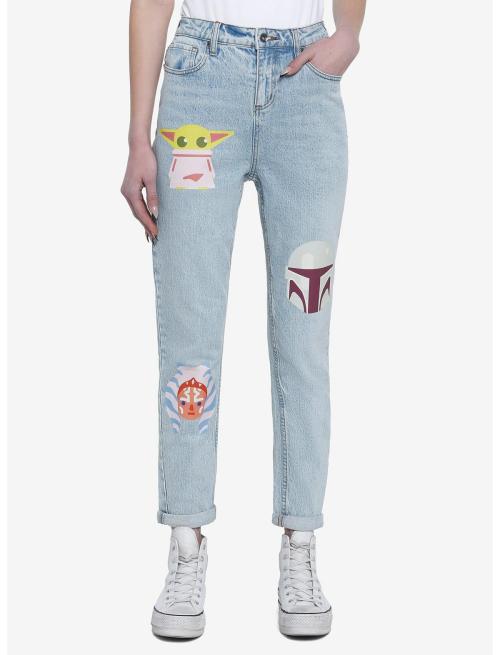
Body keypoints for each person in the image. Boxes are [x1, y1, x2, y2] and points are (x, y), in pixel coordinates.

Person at [121, 0, 365, 639]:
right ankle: (185, 541)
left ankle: (301, 543)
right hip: (200, 84)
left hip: (305, 87)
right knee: (190, 332)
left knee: (304, 337)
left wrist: (349, 33)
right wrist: (137, 136)